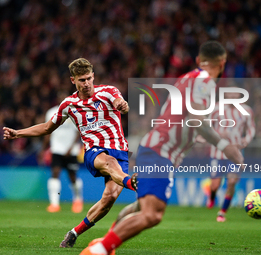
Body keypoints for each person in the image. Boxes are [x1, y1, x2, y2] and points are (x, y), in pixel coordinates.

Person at [80, 41, 245, 255]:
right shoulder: (206, 81)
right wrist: (225, 146)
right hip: (161, 152)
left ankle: (103, 243)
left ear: (197, 61)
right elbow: (195, 119)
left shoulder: (187, 78)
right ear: (222, 63)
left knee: (140, 208)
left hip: (154, 146)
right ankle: (100, 249)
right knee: (152, 215)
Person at [3, 58, 137, 248]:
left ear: (93, 76)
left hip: (120, 150)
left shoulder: (108, 91)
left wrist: (123, 105)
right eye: (82, 80)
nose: (87, 83)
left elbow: (120, 101)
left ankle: (74, 233)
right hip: (94, 152)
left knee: (109, 199)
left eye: (89, 78)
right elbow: (47, 127)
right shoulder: (68, 105)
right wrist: (18, 133)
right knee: (107, 161)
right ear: (72, 80)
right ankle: (132, 182)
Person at [206, 92, 255, 222]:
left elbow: (251, 128)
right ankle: (211, 197)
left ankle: (222, 212)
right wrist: (218, 133)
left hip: (235, 152)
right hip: (218, 151)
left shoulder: (246, 110)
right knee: (215, 185)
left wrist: (247, 139)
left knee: (232, 182)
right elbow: (205, 127)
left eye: (235, 95)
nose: (232, 97)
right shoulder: (216, 109)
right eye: (229, 94)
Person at [44, 91, 83, 213]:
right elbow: (48, 130)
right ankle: (54, 204)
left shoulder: (74, 112)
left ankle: (77, 200)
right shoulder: (51, 112)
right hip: (57, 149)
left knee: (72, 177)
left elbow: (78, 132)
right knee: (55, 173)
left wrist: (71, 148)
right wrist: (44, 148)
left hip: (71, 151)